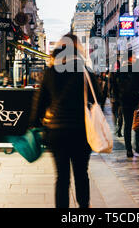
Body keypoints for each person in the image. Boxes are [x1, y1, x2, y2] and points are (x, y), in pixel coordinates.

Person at [29, 33, 102, 208]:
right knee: (81, 174)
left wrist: (34, 125)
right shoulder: (85, 72)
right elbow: (99, 98)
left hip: (56, 131)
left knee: (61, 177)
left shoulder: (51, 72)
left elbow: (39, 103)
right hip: (81, 131)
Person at [114, 50, 139, 157]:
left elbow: (115, 88)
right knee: (138, 122)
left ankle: (129, 149)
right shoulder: (138, 70)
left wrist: (118, 99)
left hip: (125, 101)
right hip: (137, 100)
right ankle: (137, 145)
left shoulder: (119, 71)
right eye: (134, 57)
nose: (135, 59)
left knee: (127, 125)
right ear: (130, 58)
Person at [109, 61, 123, 137]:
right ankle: (119, 130)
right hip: (119, 97)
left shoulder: (112, 74)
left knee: (116, 114)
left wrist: (109, 94)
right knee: (119, 114)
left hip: (115, 97)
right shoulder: (122, 72)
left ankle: (117, 129)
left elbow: (109, 86)